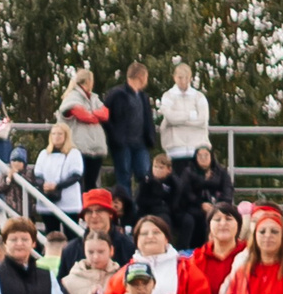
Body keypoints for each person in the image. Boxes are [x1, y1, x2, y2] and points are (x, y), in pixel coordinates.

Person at [104, 62, 155, 211]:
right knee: (124, 177)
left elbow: (147, 119)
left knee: (144, 175)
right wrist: (115, 136)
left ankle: (141, 208)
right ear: (141, 76)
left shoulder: (143, 97)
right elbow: (106, 117)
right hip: (122, 144)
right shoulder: (117, 94)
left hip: (140, 143)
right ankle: (127, 210)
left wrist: (150, 137)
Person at [56, 69, 108, 199]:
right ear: (88, 81)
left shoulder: (94, 98)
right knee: (78, 184)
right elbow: (84, 116)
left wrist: (94, 113)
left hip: (95, 148)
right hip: (79, 148)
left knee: (91, 184)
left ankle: (89, 207)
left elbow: (105, 114)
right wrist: (95, 115)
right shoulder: (72, 97)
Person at [159, 60, 210, 168]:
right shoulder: (167, 96)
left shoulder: (199, 97)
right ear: (174, 77)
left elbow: (202, 120)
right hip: (174, 150)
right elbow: (170, 118)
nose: (183, 81)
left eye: (187, 78)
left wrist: (178, 120)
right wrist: (190, 115)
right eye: (180, 77)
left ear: (190, 78)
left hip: (197, 150)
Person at [34, 124, 87, 223]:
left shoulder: (74, 153)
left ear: (66, 136)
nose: (56, 136)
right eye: (53, 134)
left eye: (60, 134)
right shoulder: (44, 154)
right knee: (51, 230)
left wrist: (57, 186)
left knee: (71, 230)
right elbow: (38, 174)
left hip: (69, 201)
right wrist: (43, 185)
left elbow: (76, 175)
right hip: (47, 201)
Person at [77, 188, 135, 267]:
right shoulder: (71, 251)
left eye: (99, 210)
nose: (94, 216)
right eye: (89, 211)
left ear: (110, 213)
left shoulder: (129, 247)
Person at [133, 151, 183, 239]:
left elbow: (176, 199)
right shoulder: (146, 181)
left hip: (167, 210)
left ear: (169, 170)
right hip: (148, 210)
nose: (157, 170)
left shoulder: (173, 182)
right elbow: (139, 200)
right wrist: (158, 202)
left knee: (187, 220)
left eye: (161, 168)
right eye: (155, 167)